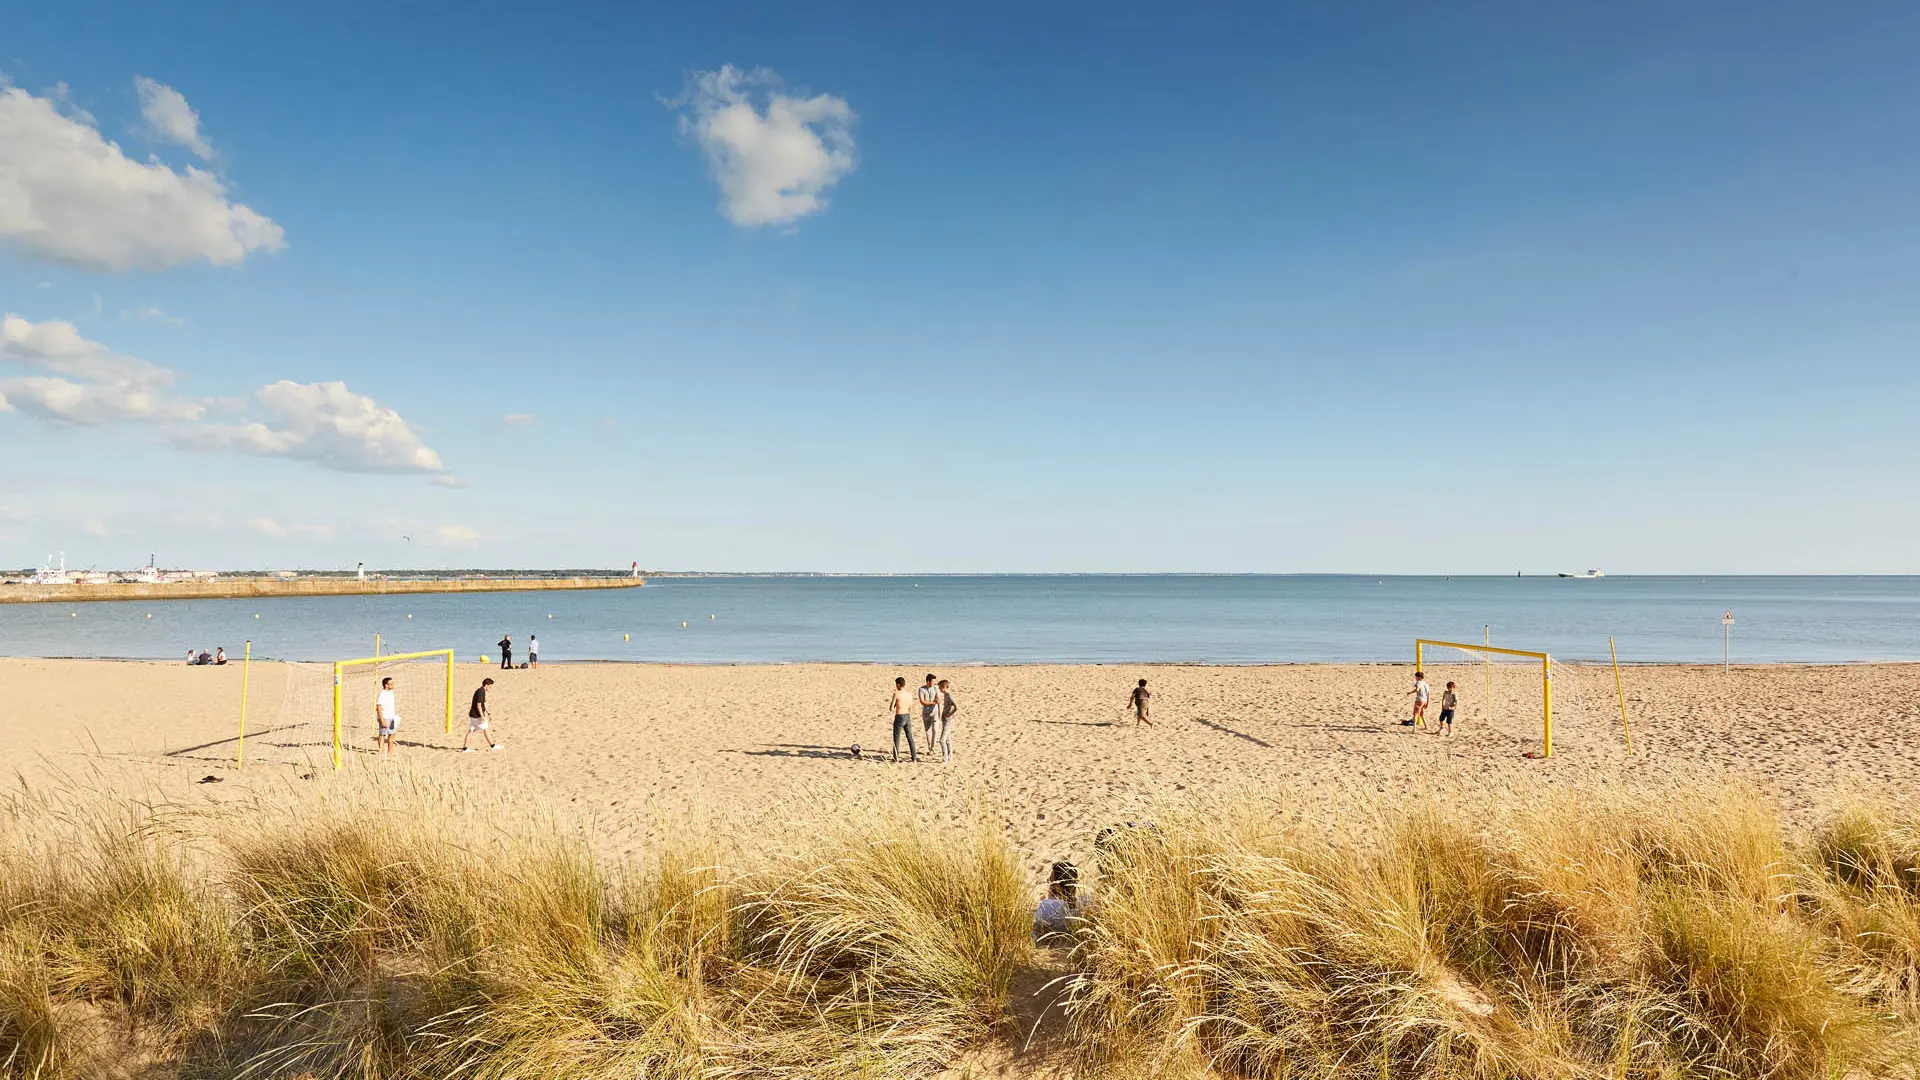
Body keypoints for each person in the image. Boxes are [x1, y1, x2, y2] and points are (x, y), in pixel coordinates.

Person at [1033, 861, 1081, 943]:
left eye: (1050, 881)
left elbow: (1034, 934)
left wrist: (1044, 903)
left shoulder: (1046, 907)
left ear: (1056, 886)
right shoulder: (1084, 904)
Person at [464, 677, 501, 751]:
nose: (490, 688)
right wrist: (483, 716)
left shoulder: (481, 691)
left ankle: (465, 748)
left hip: (473, 715)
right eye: (490, 686)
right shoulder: (481, 691)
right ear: (486, 685)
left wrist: (489, 713)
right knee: (485, 729)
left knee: (471, 730)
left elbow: (484, 703)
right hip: (477, 716)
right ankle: (493, 746)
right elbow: (479, 705)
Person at [889, 676, 918, 762]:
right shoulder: (909, 694)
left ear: (898, 684)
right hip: (907, 715)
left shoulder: (897, 693)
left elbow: (891, 708)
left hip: (899, 715)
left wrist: (894, 704)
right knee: (910, 737)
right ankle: (914, 757)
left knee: (896, 737)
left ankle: (896, 758)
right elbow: (910, 707)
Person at [374, 676, 398, 755]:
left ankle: (390, 752)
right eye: (391, 684)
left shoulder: (391, 693)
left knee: (392, 734)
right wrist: (382, 720)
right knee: (382, 734)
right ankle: (381, 751)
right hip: (384, 717)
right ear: (386, 685)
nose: (393, 685)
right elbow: (378, 708)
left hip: (392, 717)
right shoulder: (382, 694)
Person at [937, 678, 958, 763]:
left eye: (940, 687)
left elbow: (957, 707)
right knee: (948, 740)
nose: (939, 689)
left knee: (942, 740)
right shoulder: (945, 695)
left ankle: (945, 758)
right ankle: (950, 757)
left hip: (949, 721)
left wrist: (949, 714)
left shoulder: (949, 695)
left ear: (944, 687)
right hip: (945, 720)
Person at [917, 673, 940, 747]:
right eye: (933, 681)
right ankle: (930, 746)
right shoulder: (921, 689)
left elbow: (938, 698)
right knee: (928, 731)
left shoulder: (936, 688)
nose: (934, 683)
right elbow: (922, 701)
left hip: (935, 711)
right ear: (928, 681)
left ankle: (933, 747)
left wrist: (938, 701)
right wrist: (933, 703)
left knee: (935, 731)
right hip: (926, 712)